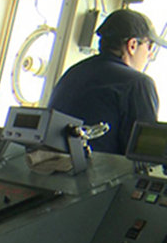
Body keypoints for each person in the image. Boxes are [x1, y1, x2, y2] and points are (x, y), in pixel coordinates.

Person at [48, 8, 165, 154]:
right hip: (99, 175)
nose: (150, 55)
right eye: (150, 46)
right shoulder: (137, 83)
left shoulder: (73, 73)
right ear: (132, 45)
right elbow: (145, 154)